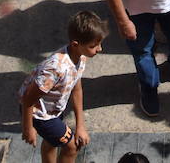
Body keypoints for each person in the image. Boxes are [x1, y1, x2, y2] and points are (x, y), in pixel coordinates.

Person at [18, 11, 107, 163]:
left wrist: (81, 126)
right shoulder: (55, 69)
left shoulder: (80, 57)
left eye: (99, 44)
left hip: (53, 109)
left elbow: (76, 89)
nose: (99, 49)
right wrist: (28, 128)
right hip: (39, 114)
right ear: (75, 44)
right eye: (94, 45)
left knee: (52, 142)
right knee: (72, 147)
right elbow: (28, 98)